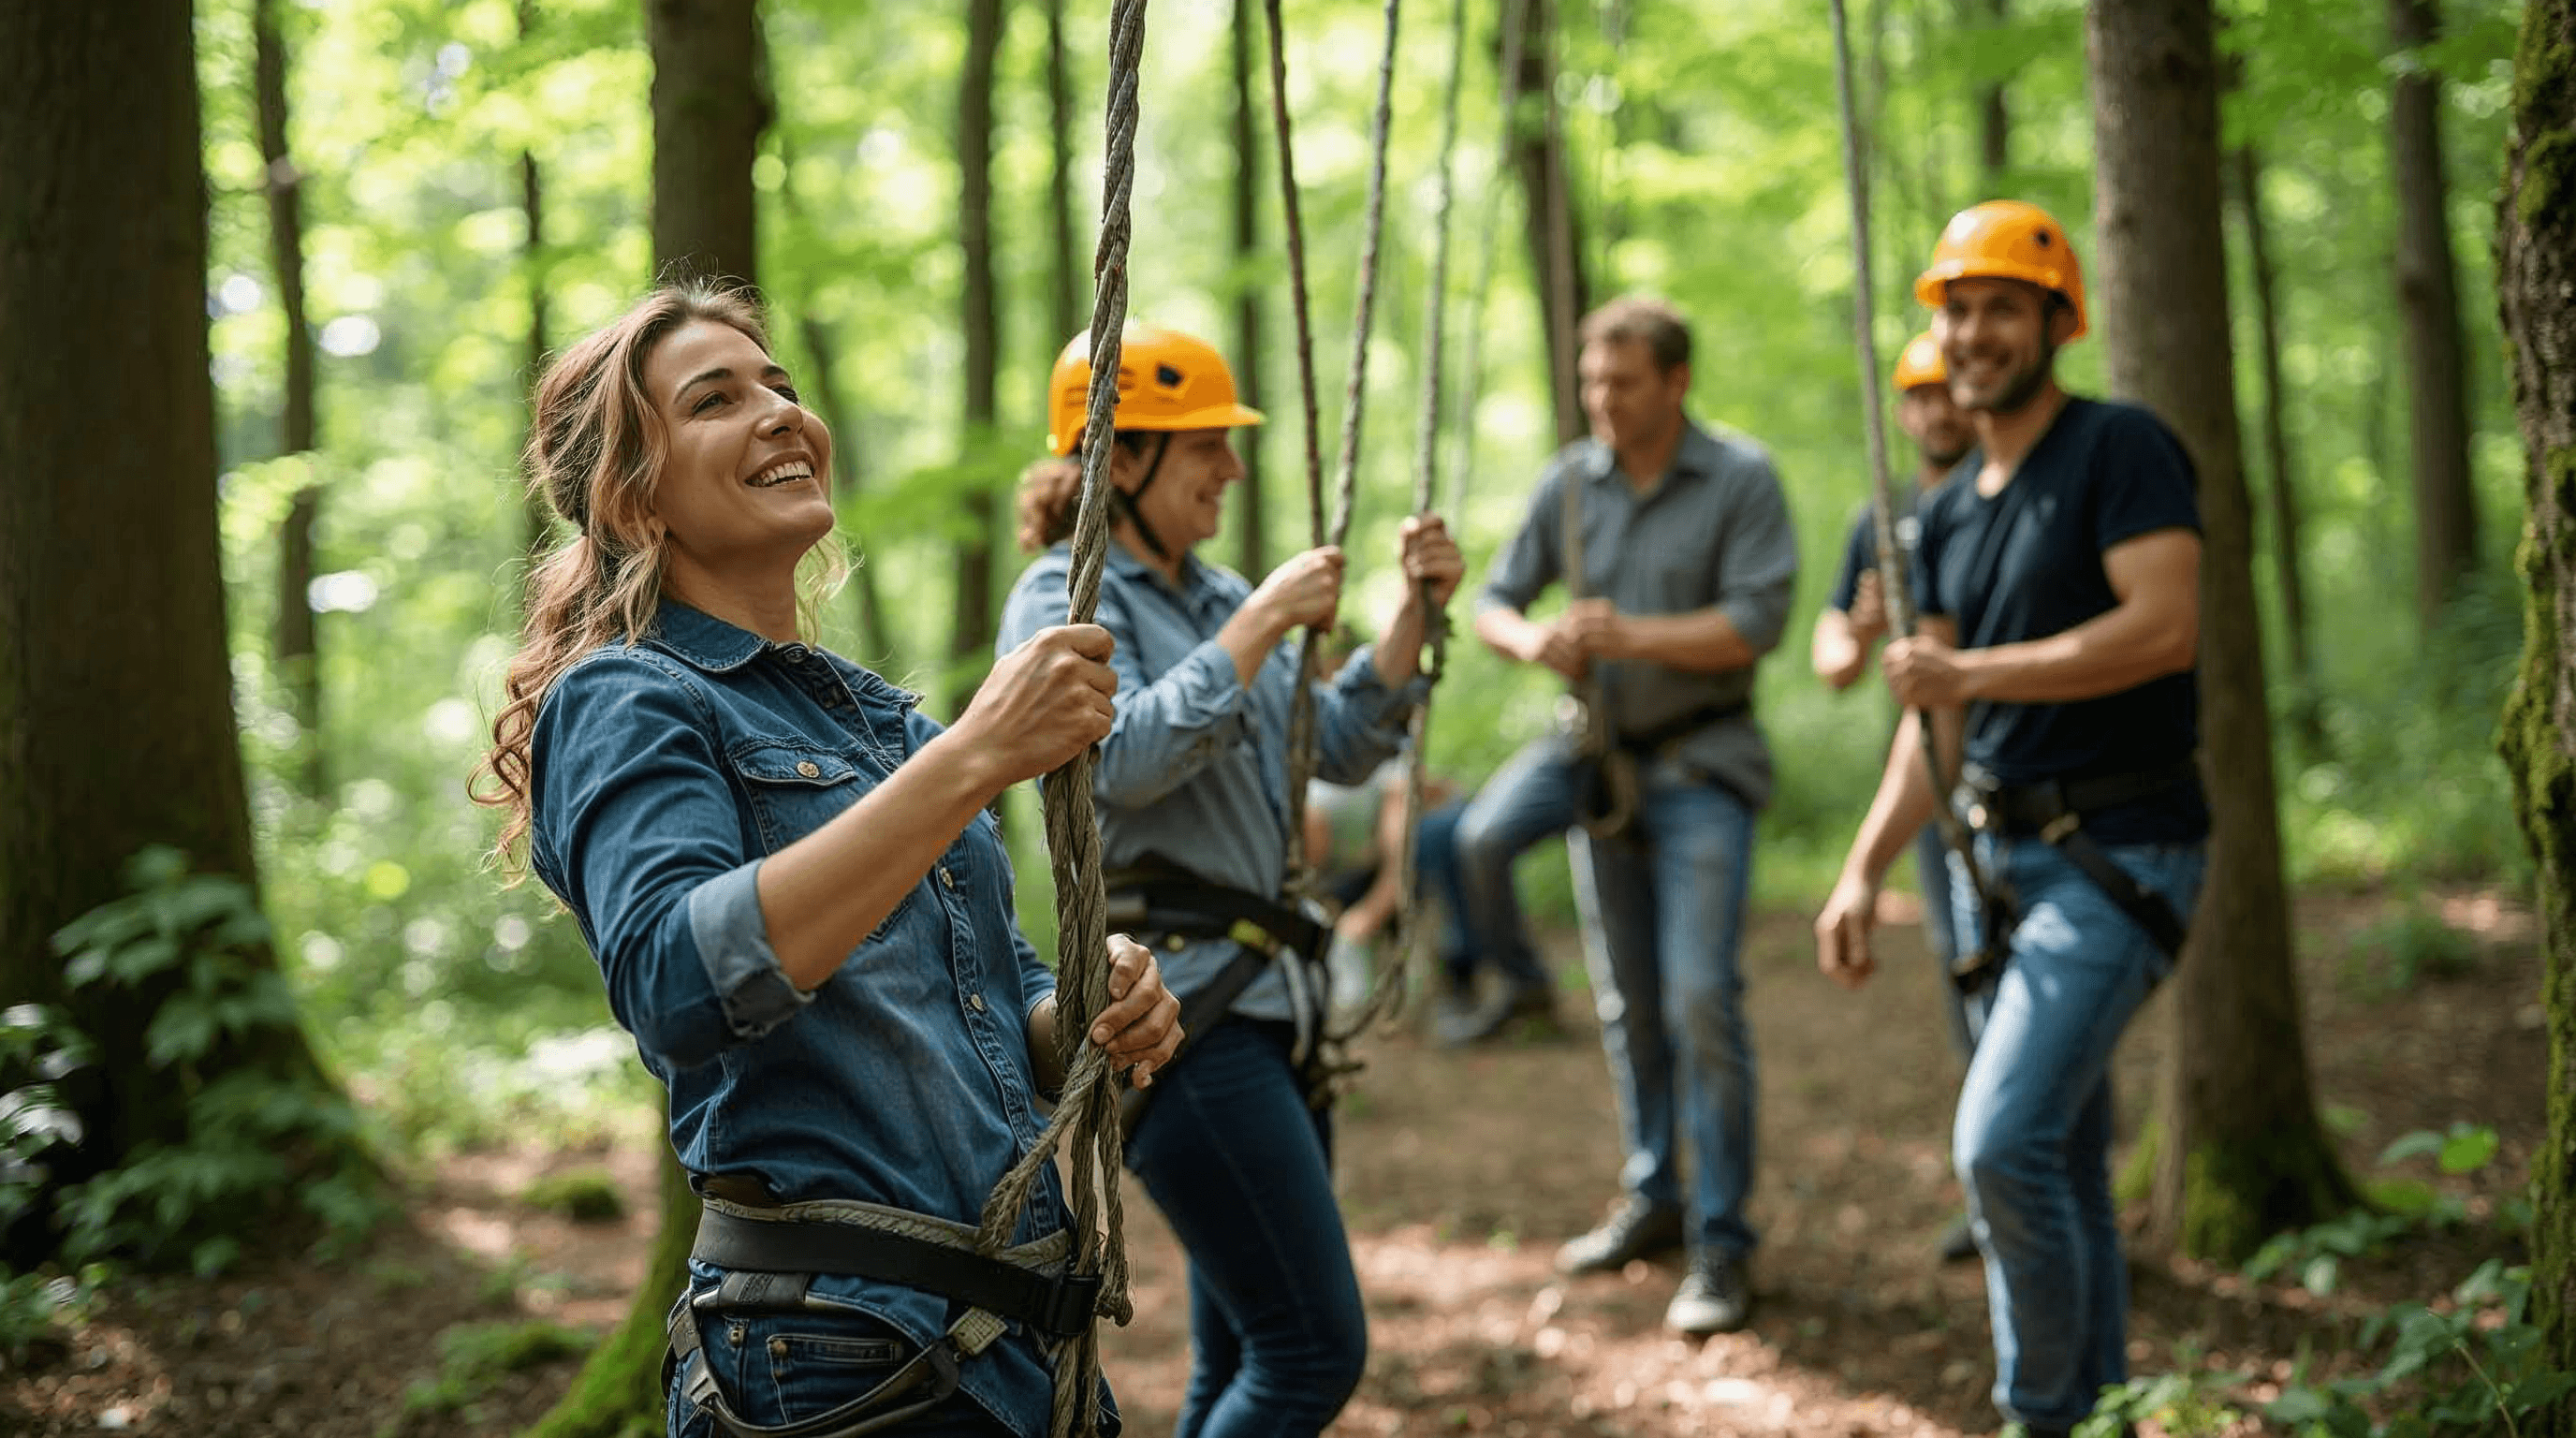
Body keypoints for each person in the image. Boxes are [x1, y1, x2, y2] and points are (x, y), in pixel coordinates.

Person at [477, 284, 1183, 1438]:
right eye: (715, 400)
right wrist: (972, 758)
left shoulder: (885, 726)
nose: (777, 413)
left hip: (1017, 1351)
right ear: (632, 497)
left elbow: (1001, 1012)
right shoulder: (627, 697)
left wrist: (1089, 1012)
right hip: (835, 1359)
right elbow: (674, 979)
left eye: (783, 389)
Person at [997, 322, 1463, 1438]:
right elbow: (1128, 763)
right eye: (1209, 443)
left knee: (1248, 1348)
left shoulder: (1214, 596)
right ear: (1130, 455)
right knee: (1312, 1349)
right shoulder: (1057, 599)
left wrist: (1408, 618)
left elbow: (1336, 744)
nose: (1233, 471)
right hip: (1182, 1022)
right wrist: (1259, 625)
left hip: (1268, 1010)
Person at [1814, 200, 2208, 1438]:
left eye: (2000, 308)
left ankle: (2041, 1415)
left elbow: (2162, 627)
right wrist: (1861, 867)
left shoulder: (2118, 448)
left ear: (2055, 320)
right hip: (2001, 869)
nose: (1975, 333)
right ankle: (2100, 1415)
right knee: (2063, 1166)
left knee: (1999, 1148)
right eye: (1958, 310)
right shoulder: (1944, 514)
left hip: (2118, 854)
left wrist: (1976, 676)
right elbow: (1928, 721)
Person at [1463, 295, 1797, 1336]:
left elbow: (1757, 623)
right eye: (1591, 382)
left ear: (1675, 383)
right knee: (1499, 865)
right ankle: (1652, 1192)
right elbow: (1492, 602)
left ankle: (1722, 1240)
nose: (1601, 400)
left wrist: (1632, 636)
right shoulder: (1567, 482)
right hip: (1593, 759)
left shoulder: (1739, 478)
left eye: (1623, 382)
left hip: (1702, 766)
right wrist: (1536, 643)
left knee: (1698, 997)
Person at [1808, 330, 1982, 1264]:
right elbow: (1831, 655)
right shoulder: (1882, 518)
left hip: (2016, 762)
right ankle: (1993, 1190)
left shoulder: (2001, 494)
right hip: (1927, 776)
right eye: (1917, 397)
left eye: (1946, 391)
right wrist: (1861, 633)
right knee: (1964, 973)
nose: (1935, 410)